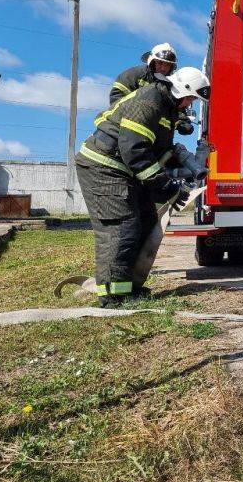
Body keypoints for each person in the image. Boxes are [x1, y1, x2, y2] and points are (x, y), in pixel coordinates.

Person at [76, 67, 210, 306]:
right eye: (191, 98)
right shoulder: (150, 101)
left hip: (124, 170)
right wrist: (166, 186)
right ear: (182, 91)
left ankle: (128, 287)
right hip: (104, 167)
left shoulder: (165, 107)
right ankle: (112, 296)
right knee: (122, 226)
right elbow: (135, 150)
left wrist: (171, 177)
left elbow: (152, 151)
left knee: (147, 221)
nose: (190, 104)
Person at [110, 43, 194, 136]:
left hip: (153, 131)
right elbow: (117, 100)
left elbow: (175, 106)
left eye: (167, 65)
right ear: (152, 62)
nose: (163, 68)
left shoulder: (172, 84)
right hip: (124, 126)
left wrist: (181, 121)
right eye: (160, 63)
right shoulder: (133, 75)